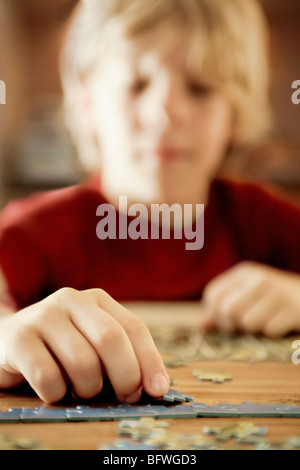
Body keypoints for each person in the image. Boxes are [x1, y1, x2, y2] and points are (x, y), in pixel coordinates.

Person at [0, 0, 299, 404]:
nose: (164, 114)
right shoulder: (30, 233)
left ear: (236, 113)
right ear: (87, 105)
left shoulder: (265, 221)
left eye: (200, 88)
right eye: (137, 84)